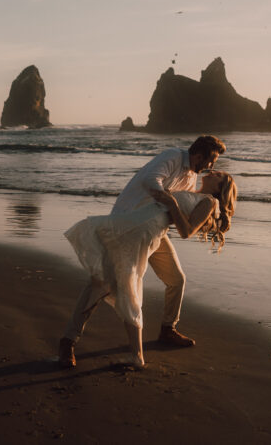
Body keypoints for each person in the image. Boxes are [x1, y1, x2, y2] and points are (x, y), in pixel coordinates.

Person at [58, 135, 230, 369]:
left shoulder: (191, 180)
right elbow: (152, 180)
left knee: (176, 279)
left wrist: (207, 216)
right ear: (199, 155)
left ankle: (168, 329)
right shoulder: (172, 157)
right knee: (101, 283)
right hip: (127, 223)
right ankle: (69, 341)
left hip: (153, 233)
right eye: (211, 160)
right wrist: (167, 199)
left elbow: (181, 217)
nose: (212, 166)